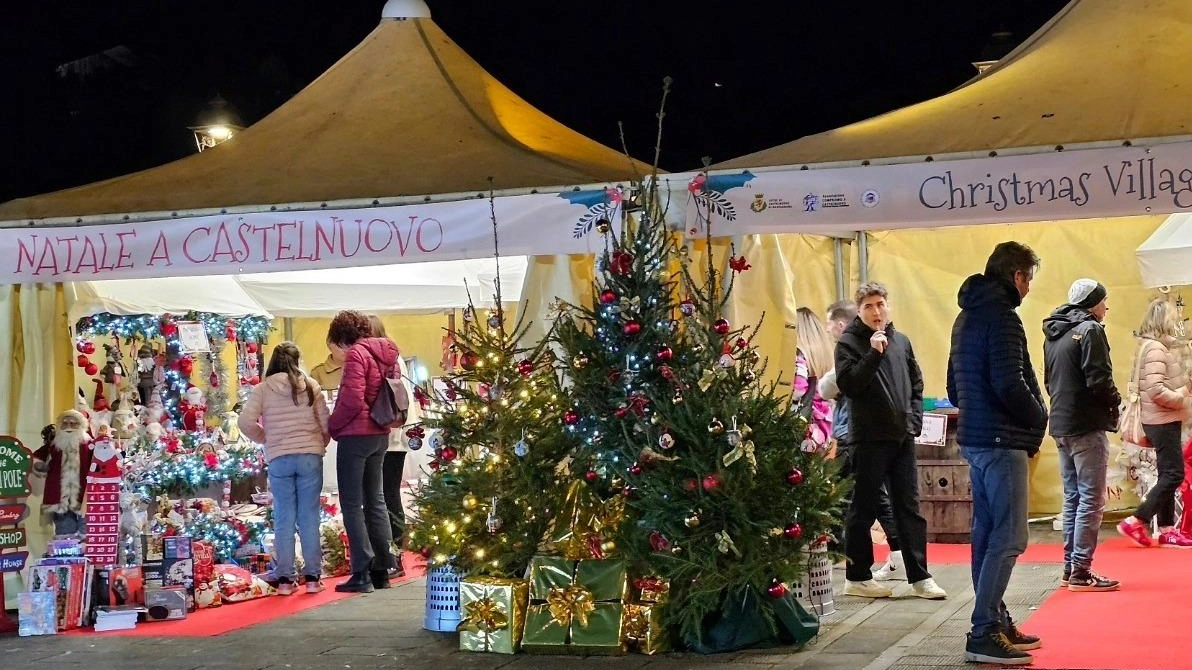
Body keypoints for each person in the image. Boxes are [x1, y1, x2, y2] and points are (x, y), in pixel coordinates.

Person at [948, 241, 1048, 665]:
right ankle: (984, 630)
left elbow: (954, 387)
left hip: (974, 439)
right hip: (1002, 441)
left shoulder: (965, 317)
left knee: (986, 535)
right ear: (1016, 276)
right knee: (1009, 537)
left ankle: (995, 618)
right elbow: (1011, 384)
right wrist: (1038, 419)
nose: (1028, 288)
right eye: (1028, 278)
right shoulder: (1004, 319)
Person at [835, 282, 946, 601]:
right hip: (867, 439)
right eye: (869, 306)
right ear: (859, 310)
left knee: (909, 507)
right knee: (863, 508)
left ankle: (920, 576)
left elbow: (916, 382)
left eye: (880, 304)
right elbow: (850, 385)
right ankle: (857, 576)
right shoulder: (848, 343)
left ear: (888, 306)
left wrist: (914, 421)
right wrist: (872, 353)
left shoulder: (902, 341)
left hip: (901, 437)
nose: (876, 311)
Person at [1042, 279, 1122, 592]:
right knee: (1091, 497)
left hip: (1061, 422)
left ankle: (1070, 566)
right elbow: (1099, 380)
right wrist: (1116, 400)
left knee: (1073, 497)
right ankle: (1081, 570)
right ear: (1092, 303)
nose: (1106, 307)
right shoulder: (1091, 331)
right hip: (1086, 424)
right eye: (1104, 301)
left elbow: (1049, 381)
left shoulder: (1054, 332)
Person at [819, 299, 905, 580]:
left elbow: (828, 386)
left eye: (831, 322)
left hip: (854, 434)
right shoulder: (869, 346)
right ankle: (890, 555)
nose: (829, 328)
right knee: (869, 499)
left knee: (862, 500)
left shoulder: (856, 347)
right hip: (859, 433)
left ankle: (861, 562)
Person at [238, 341, 331, 595]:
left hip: (280, 457)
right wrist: (318, 444)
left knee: (284, 518)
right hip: (310, 456)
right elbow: (326, 424)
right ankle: (312, 578)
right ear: (297, 359)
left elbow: (245, 422)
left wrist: (266, 438)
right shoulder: (311, 386)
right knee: (309, 517)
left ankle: (286, 581)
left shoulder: (263, 389)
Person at [327, 310, 400, 593]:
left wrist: (332, 427)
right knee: (376, 501)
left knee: (351, 504)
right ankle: (383, 568)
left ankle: (361, 572)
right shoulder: (388, 353)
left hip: (356, 436)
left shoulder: (357, 354)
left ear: (343, 336)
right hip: (381, 433)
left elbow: (352, 401)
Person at [1117, 298, 1192, 548]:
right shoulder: (1157, 349)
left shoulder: (1150, 347)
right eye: (1173, 318)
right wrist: (1181, 396)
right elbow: (1156, 390)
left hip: (1159, 419)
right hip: (1162, 420)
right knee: (1174, 474)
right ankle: (1137, 519)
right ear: (1163, 320)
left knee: (1167, 473)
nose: (1177, 322)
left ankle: (1167, 529)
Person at [367, 315, 413, 578]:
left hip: (386, 434)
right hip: (397, 433)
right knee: (388, 494)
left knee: (385, 496)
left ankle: (391, 554)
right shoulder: (395, 357)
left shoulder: (381, 359)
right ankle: (393, 553)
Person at [792, 306, 834, 451]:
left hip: (804, 428)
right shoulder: (824, 353)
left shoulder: (799, 352)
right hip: (824, 425)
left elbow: (798, 388)